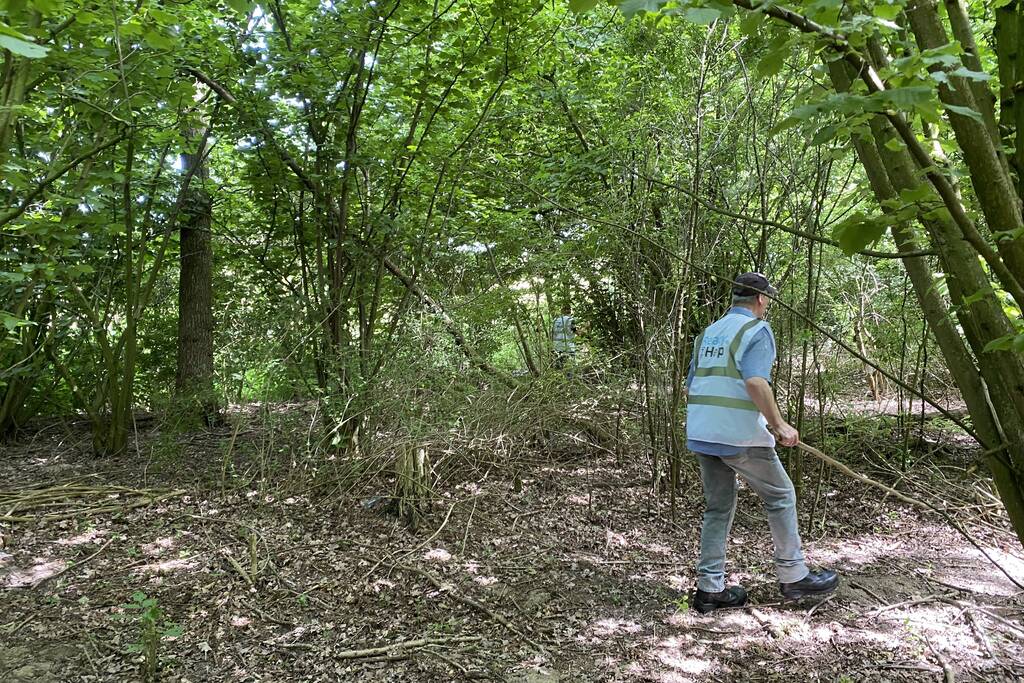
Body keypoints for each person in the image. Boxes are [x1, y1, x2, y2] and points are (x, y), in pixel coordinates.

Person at [684, 272, 838, 614]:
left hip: (702, 432)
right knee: (781, 496)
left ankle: (710, 590)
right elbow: (755, 381)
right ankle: (794, 574)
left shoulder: (709, 333)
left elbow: (689, 385)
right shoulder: (756, 330)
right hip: (738, 435)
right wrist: (779, 424)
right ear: (761, 299)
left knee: (718, 508)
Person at [552, 304, 577, 369]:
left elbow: (552, 333)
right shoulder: (571, 320)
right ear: (570, 311)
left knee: (559, 370)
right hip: (568, 348)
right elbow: (577, 332)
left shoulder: (555, 320)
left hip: (557, 348)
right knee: (570, 369)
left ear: (562, 311)